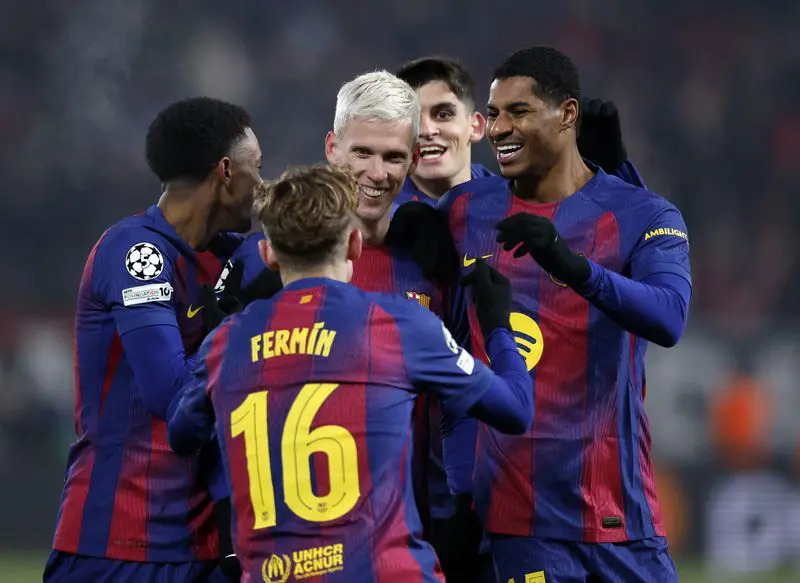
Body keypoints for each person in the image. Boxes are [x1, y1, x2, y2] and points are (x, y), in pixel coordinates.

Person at [167, 164, 535, 582]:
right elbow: (515, 409)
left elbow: (182, 434)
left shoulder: (226, 343)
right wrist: (497, 325)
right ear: (355, 244)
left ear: (267, 254)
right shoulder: (400, 324)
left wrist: (222, 345)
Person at [435, 46, 692, 582]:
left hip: (622, 513)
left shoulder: (643, 213)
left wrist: (571, 266)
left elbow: (669, 318)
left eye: (519, 111)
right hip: (522, 526)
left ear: (567, 114)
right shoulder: (464, 213)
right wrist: (459, 490)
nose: (499, 128)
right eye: (494, 113)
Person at [45, 97, 263, 583]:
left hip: (208, 545)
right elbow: (172, 396)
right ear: (226, 171)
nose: (262, 186)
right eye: (258, 168)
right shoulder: (135, 252)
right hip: (117, 547)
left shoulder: (232, 257)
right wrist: (231, 315)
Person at [393, 56, 491, 208]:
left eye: (443, 115)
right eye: (412, 119)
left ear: (475, 127)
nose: (426, 131)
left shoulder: (512, 203)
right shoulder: (378, 216)